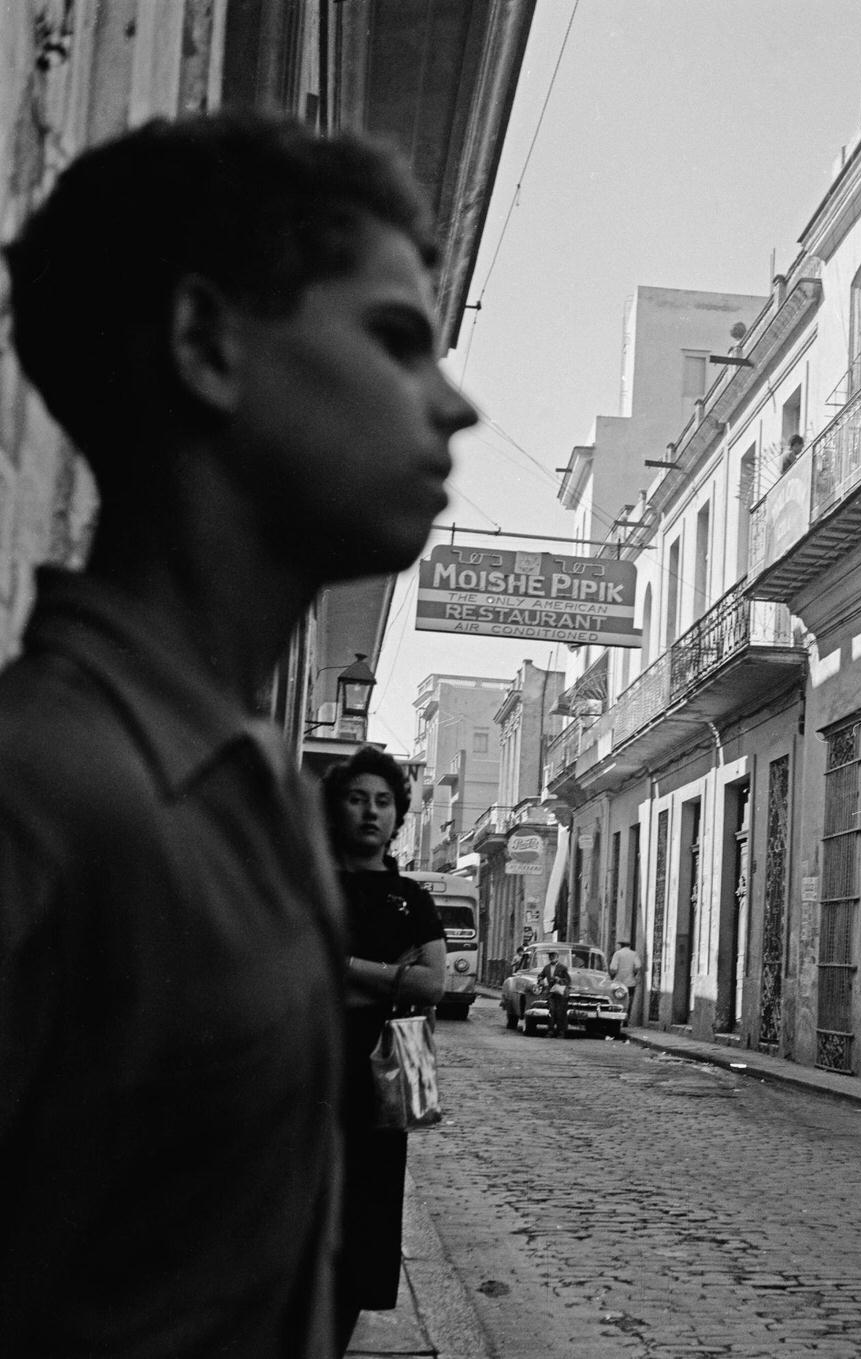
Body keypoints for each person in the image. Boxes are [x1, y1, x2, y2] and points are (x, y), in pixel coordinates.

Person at [0, 114, 476, 1357]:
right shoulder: (43, 802)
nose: (456, 404)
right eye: (391, 339)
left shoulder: (247, 791)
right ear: (208, 343)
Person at [323, 748, 446, 1355]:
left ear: (397, 815)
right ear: (336, 806)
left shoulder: (412, 898)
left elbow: (434, 984)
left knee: (364, 1232)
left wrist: (345, 966)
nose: (371, 812)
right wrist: (391, 973)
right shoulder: (308, 883)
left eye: (383, 802)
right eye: (357, 798)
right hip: (310, 1075)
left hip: (386, 1080)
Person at [539, 949, 572, 1037]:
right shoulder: (546, 968)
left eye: (553, 956)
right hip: (551, 993)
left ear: (557, 957)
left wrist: (559, 980)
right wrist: (540, 980)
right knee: (551, 1011)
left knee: (560, 1012)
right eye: (550, 956)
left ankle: (561, 1032)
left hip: (560, 993)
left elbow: (568, 981)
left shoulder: (563, 968)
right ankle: (550, 1031)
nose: (551, 957)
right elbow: (541, 975)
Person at [610, 939, 642, 1025]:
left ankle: (617, 1017)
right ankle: (626, 1019)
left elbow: (613, 968)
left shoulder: (618, 954)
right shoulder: (634, 954)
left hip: (619, 982)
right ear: (629, 946)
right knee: (629, 1000)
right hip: (630, 982)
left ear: (621, 945)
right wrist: (633, 972)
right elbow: (638, 966)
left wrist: (615, 974)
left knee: (617, 999)